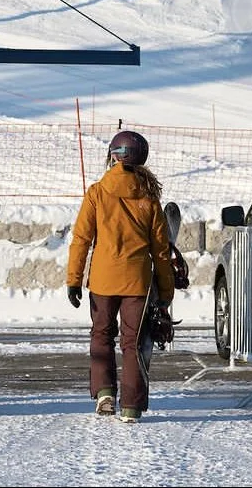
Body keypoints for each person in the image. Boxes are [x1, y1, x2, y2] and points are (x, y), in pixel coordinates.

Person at [66, 129, 175, 423]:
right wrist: (166, 291)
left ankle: (103, 393)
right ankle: (131, 407)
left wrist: (74, 279)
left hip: (102, 280)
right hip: (137, 282)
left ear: (113, 156)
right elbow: (161, 251)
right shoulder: (150, 199)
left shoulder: (97, 193)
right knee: (133, 342)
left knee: (101, 335)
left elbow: (81, 239)